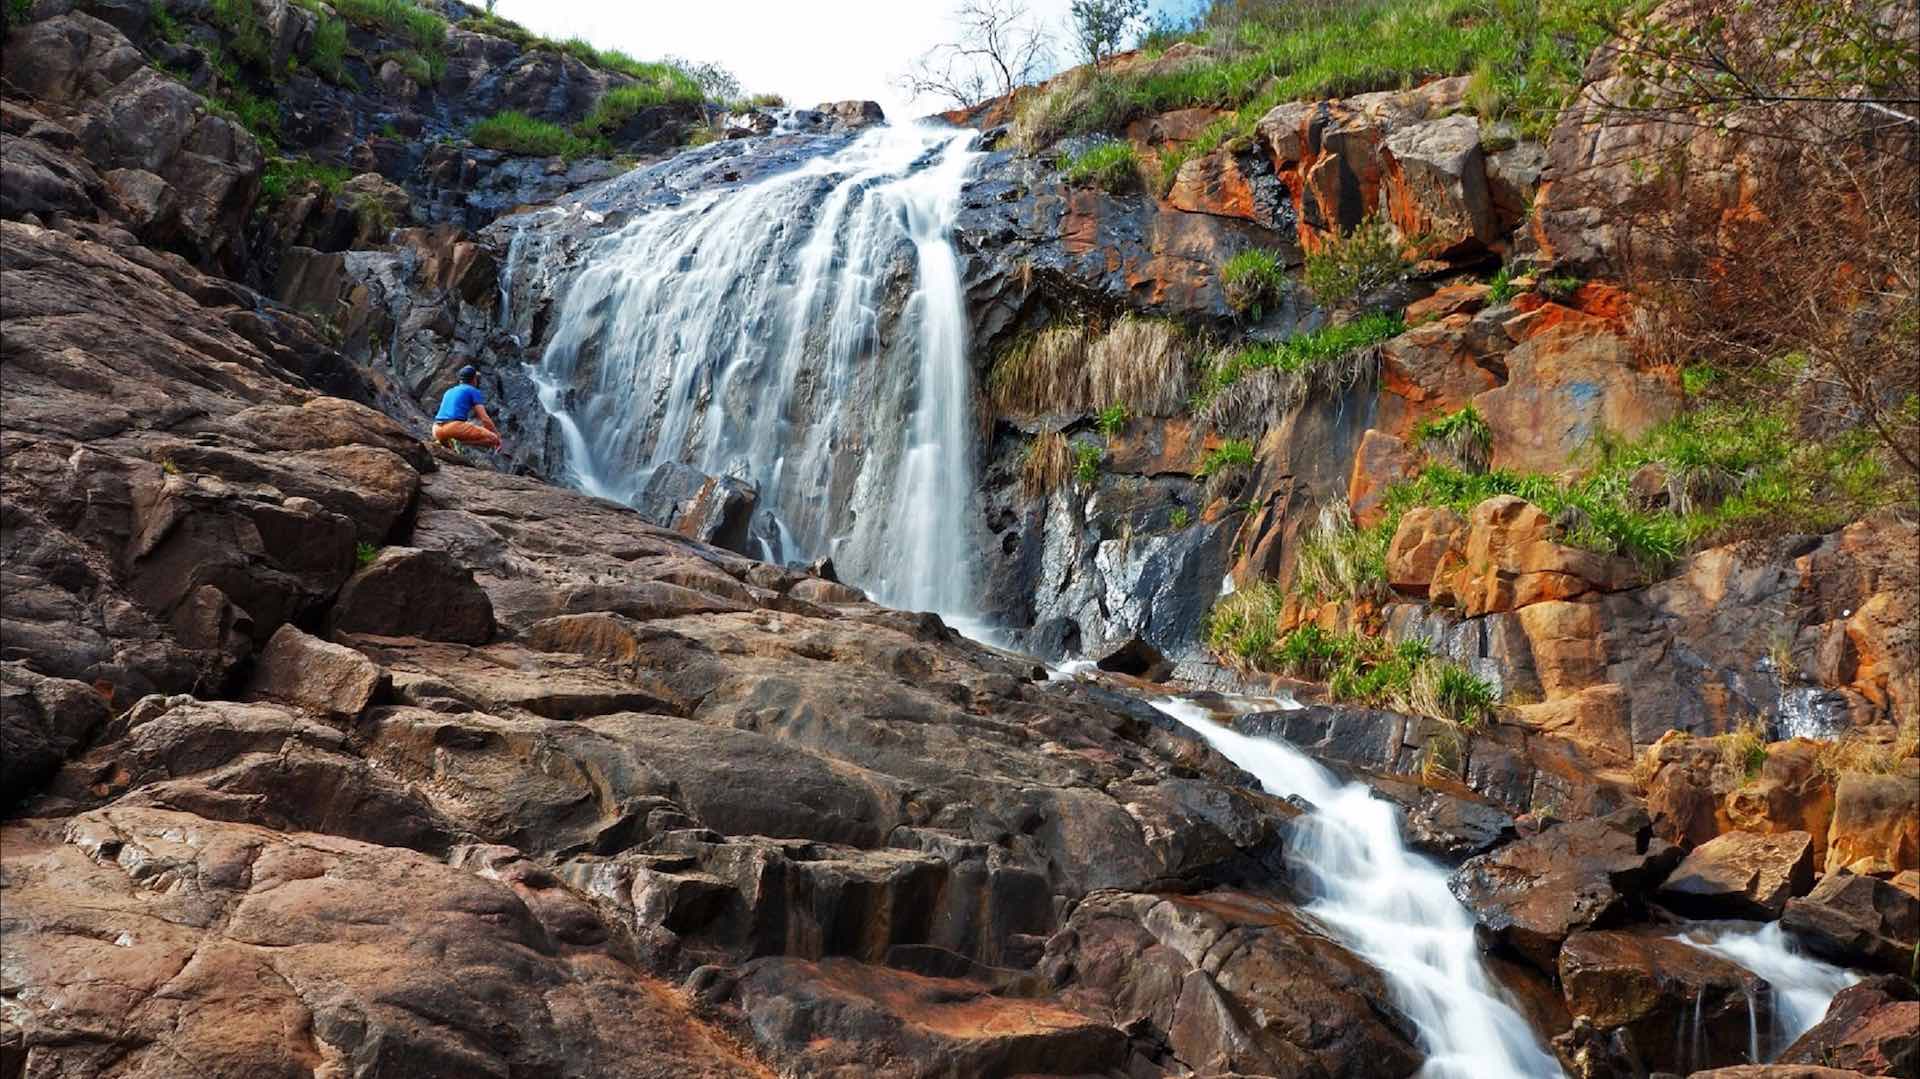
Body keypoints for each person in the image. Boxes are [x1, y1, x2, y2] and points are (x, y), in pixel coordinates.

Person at [432, 364, 501, 452]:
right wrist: (497, 436)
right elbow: (484, 419)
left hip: (436, 429)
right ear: (474, 379)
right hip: (453, 428)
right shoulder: (472, 390)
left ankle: (448, 442)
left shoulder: (449, 391)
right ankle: (459, 441)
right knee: (493, 439)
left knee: (452, 451)